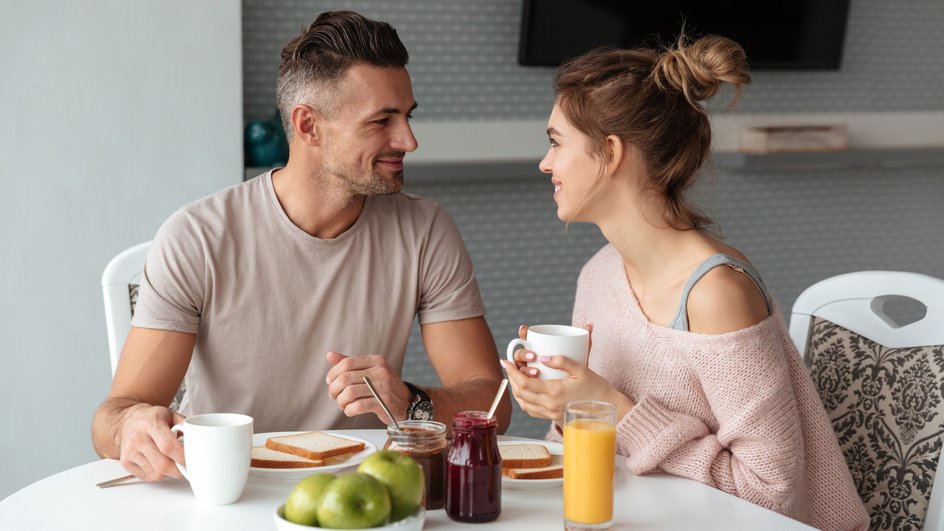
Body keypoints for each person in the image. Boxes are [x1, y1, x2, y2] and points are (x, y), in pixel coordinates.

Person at [92, 10, 511, 482]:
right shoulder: (197, 237)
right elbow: (113, 415)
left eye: (408, 116)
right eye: (382, 121)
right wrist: (132, 425)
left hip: (362, 495)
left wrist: (410, 400)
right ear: (308, 125)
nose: (409, 140)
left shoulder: (426, 230)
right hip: (229, 490)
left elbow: (492, 401)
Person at [501, 36, 869, 530]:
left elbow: (771, 494)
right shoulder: (600, 273)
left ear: (610, 153)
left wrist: (611, 406)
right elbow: (598, 456)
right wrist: (562, 402)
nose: (546, 163)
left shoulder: (716, 292)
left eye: (555, 142)